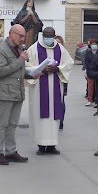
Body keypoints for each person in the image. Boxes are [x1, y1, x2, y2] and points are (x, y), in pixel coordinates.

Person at [26, 27, 74, 155]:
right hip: (38, 90)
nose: (48, 38)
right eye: (46, 36)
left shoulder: (60, 49)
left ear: (54, 36)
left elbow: (69, 63)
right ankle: (41, 146)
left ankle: (52, 145)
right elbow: (26, 66)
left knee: (54, 116)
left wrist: (58, 69)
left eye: (50, 36)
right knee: (39, 116)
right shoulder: (33, 49)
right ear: (42, 35)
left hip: (55, 88)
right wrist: (41, 69)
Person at [0, 24, 32, 166]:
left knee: (13, 124)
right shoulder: (0, 50)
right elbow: (1, 71)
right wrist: (20, 60)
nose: (22, 39)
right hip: (5, 93)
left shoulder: (19, 49)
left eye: (23, 36)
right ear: (11, 34)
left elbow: (18, 71)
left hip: (17, 92)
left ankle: (10, 151)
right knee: (2, 124)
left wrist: (32, 74)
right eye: (20, 36)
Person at [55, 35, 68, 130]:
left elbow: (67, 66)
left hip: (61, 79)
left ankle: (61, 121)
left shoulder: (64, 53)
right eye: (56, 42)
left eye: (59, 42)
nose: (57, 44)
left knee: (61, 101)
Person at [83, 38, 98, 107]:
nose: (94, 45)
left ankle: (97, 100)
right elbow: (86, 62)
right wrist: (87, 70)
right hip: (90, 71)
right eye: (92, 44)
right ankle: (89, 100)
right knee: (90, 86)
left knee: (97, 86)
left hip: (97, 71)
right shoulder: (88, 52)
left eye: (95, 44)